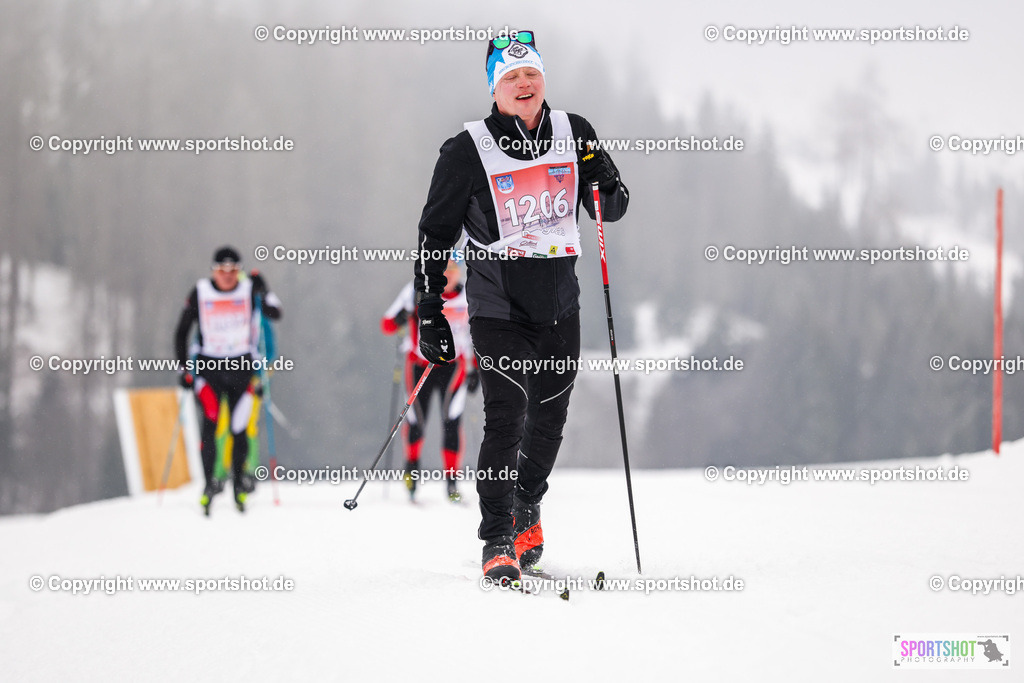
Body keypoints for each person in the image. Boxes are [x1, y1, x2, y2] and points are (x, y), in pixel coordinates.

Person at [413, 31, 629, 584]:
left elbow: (610, 203)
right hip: (496, 306)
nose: (524, 84)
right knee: (506, 414)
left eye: (531, 73)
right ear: (495, 88)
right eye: (511, 77)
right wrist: (430, 310)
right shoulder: (465, 151)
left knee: (550, 418)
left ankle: (527, 504)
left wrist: (607, 182)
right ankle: (496, 538)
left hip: (561, 304)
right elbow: (434, 234)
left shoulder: (573, 132)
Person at [174, 246, 282, 514]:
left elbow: (275, 313)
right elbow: (182, 331)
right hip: (210, 368)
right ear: (213, 271)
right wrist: (185, 369)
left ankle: (239, 486)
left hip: (242, 367)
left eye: (233, 271)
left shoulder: (248, 290)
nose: (228, 277)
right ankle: (210, 483)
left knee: (239, 427)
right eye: (222, 271)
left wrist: (264, 289)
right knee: (210, 424)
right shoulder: (201, 291)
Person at [381, 259, 478, 503]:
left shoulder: (470, 294)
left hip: (453, 368)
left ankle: (452, 484)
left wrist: (476, 369)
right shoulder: (416, 290)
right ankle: (411, 472)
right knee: (416, 423)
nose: (448, 276)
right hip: (419, 367)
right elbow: (387, 325)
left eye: (453, 271)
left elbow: (478, 333)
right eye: (444, 270)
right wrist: (404, 315)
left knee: (452, 422)